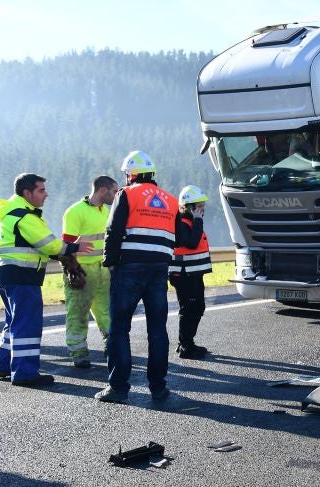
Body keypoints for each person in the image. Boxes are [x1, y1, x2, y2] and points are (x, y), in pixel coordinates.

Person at [96, 151, 201, 405]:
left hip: (128, 268)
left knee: (119, 328)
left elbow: (113, 230)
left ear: (131, 174)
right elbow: (181, 239)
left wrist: (109, 262)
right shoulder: (170, 200)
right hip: (158, 270)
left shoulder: (126, 193)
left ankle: (118, 388)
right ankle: (159, 388)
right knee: (157, 329)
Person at [0, 173, 88, 386]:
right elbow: (49, 244)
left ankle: (3, 365)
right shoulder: (26, 217)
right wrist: (74, 248)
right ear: (27, 193)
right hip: (22, 276)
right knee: (27, 325)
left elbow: (34, 245)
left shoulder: (9, 213)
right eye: (41, 190)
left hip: (6, 274)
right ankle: (24, 373)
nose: (46, 194)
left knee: (14, 322)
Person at [61, 175, 117, 368]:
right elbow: (66, 245)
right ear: (103, 190)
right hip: (82, 271)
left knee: (106, 310)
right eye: (114, 191)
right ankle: (79, 353)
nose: (116, 195)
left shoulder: (105, 211)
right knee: (78, 312)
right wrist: (72, 269)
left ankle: (112, 346)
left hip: (102, 270)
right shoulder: (75, 211)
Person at [170, 185, 212, 359]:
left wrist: (196, 221)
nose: (203, 209)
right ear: (188, 207)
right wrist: (198, 221)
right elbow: (192, 243)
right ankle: (186, 347)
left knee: (198, 307)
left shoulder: (189, 221)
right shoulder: (181, 223)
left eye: (203, 205)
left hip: (192, 273)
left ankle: (186, 343)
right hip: (184, 275)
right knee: (189, 309)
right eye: (199, 206)